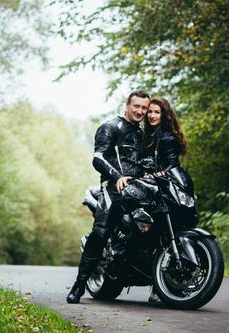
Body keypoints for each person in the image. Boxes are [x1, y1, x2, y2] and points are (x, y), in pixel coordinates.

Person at [66, 90, 151, 304]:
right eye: (137, 107)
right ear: (127, 105)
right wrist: (118, 176)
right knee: (101, 231)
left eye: (144, 108)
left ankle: (157, 284)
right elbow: (98, 158)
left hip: (139, 188)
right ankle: (78, 285)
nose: (140, 111)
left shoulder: (143, 134)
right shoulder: (110, 127)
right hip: (112, 187)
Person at [143, 96, 189, 302]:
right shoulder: (145, 135)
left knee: (165, 235)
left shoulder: (168, 137)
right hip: (147, 187)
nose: (152, 115)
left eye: (156, 112)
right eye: (150, 112)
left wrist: (155, 175)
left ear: (165, 114)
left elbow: (172, 167)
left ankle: (159, 287)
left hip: (163, 189)